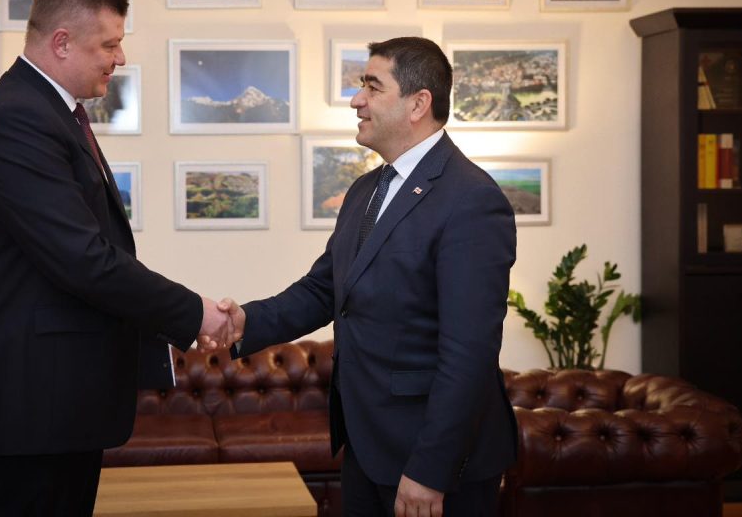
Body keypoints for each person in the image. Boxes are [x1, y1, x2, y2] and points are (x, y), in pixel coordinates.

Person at [0, 0, 232, 516]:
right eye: (109, 44)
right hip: (31, 408)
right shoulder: (17, 120)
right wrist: (195, 312)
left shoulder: (50, 113)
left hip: (57, 404)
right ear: (62, 42)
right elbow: (83, 259)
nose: (119, 58)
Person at [215, 37, 517, 516]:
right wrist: (244, 322)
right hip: (366, 445)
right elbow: (323, 290)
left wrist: (430, 470)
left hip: (432, 463)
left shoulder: (471, 200)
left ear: (418, 103)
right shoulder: (365, 190)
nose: (357, 100)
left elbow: (469, 354)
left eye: (373, 87)